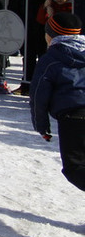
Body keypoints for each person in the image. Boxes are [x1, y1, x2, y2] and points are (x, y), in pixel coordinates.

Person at [30, 13, 85, 191]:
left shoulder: (50, 59)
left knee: (74, 167)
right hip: (73, 115)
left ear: (50, 35)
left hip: (73, 118)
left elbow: (39, 95)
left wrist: (42, 126)